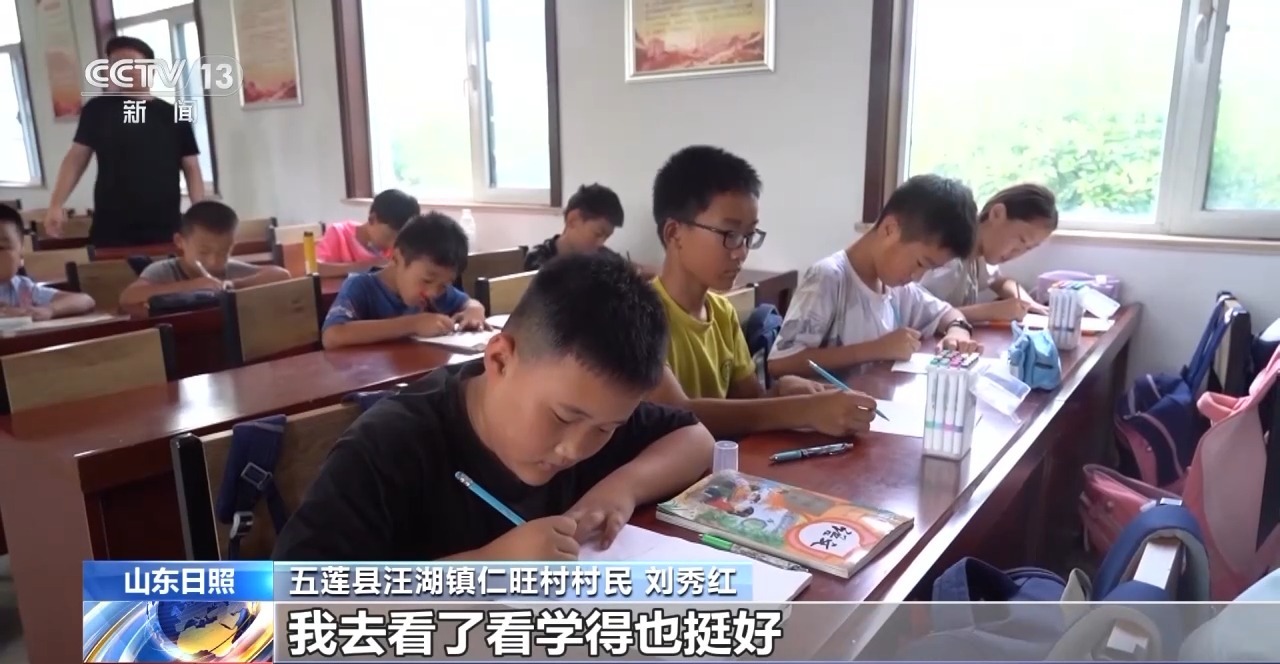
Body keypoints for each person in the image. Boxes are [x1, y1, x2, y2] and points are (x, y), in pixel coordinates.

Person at [273, 253, 714, 560]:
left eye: (607, 429)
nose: (574, 450)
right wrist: (486, 567)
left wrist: (621, 490)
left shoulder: (591, 404)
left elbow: (696, 438)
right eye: (563, 417)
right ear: (500, 359)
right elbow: (283, 609)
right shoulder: (389, 447)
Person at [643, 145, 880, 439]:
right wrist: (804, 410)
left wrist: (781, 391)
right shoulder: (641, 317)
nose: (742, 251)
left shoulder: (722, 313)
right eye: (730, 234)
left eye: (749, 235)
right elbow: (676, 413)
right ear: (674, 233)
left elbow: (748, 403)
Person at [768, 174, 983, 378]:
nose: (918, 277)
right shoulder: (829, 278)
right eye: (920, 263)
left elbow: (947, 312)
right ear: (890, 229)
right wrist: (876, 349)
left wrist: (958, 331)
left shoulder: (897, 289)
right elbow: (780, 363)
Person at [45, 36, 204, 247]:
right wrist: (56, 204)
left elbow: (191, 168)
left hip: (165, 226)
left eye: (132, 64)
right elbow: (76, 159)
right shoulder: (98, 110)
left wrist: (200, 213)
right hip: (112, 228)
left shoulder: (174, 115)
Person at [321, 212, 486, 349]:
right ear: (397, 258)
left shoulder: (437, 291)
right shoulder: (361, 286)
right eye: (427, 280)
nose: (433, 293)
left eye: (444, 285)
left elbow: (469, 303)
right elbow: (332, 336)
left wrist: (474, 311)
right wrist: (413, 324)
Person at [917, 183, 1057, 322]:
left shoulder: (980, 257)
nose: (1018, 252)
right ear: (997, 214)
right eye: (1021, 239)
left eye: (1028, 248)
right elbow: (921, 314)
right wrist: (990, 311)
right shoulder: (949, 259)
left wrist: (1028, 303)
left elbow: (1001, 282)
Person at [118, 201, 291, 307]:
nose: (214, 261)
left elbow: (281, 275)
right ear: (180, 241)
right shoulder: (163, 270)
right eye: (204, 251)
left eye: (224, 252)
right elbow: (128, 297)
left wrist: (231, 284)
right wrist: (192, 286)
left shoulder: (228, 269)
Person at [0, 204, 96, 319]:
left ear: (20, 256)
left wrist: (49, 309)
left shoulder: (23, 289)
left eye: (1, 247)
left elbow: (85, 300)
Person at [316, 189, 420, 278]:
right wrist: (366, 266)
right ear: (372, 219)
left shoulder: (397, 249)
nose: (394, 245)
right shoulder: (339, 233)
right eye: (391, 236)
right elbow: (315, 269)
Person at [524, 183, 625, 271]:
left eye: (606, 238)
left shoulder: (601, 256)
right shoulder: (538, 259)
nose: (600, 244)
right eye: (597, 234)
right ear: (573, 220)